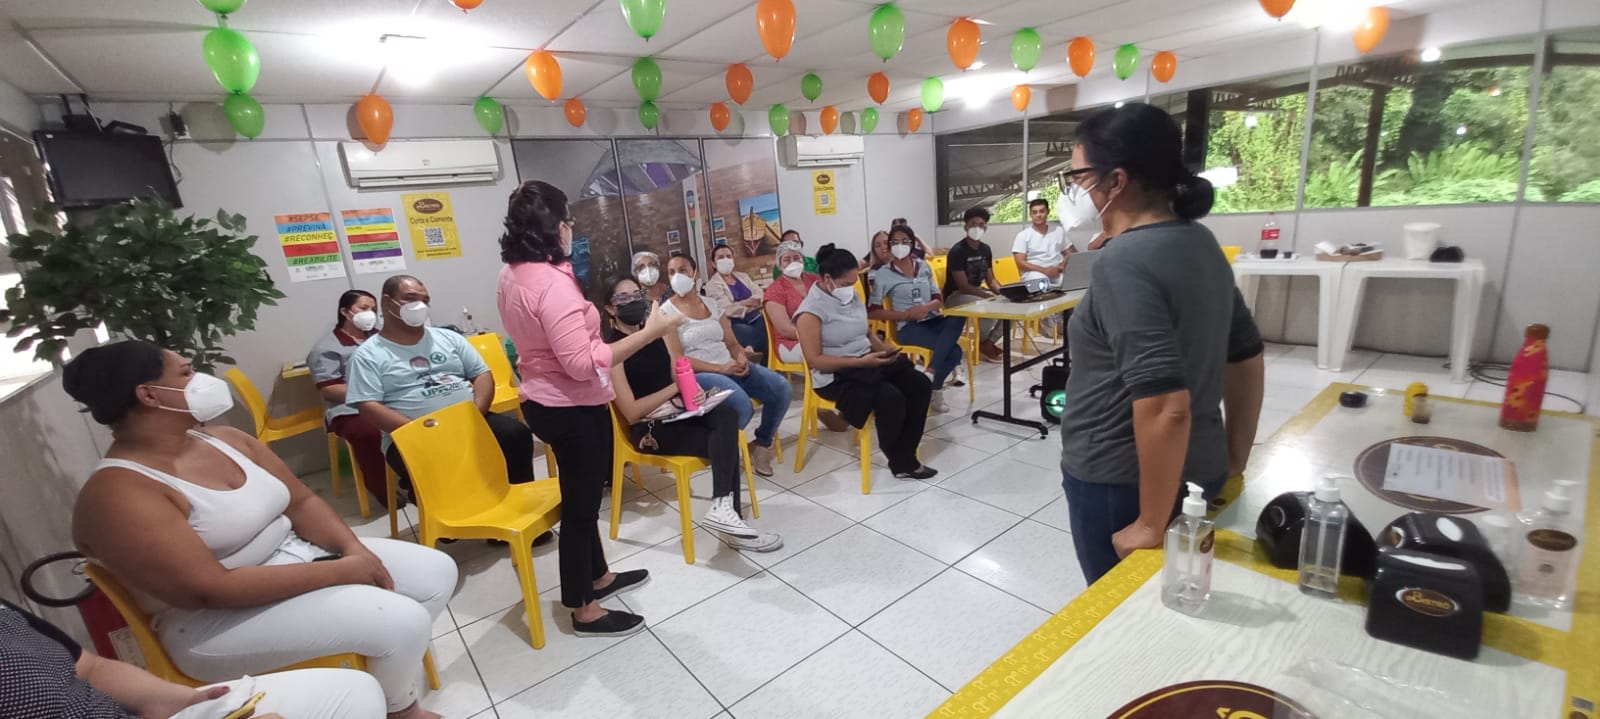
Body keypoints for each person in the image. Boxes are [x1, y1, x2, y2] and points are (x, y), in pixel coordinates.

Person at [62, 341, 458, 719]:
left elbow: (301, 501)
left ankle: (379, 675)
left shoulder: (224, 439)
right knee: (400, 621)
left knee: (435, 572)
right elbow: (211, 589)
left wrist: (353, 549)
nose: (201, 380)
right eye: (185, 373)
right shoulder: (120, 494)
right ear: (150, 395)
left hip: (295, 557)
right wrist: (341, 571)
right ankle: (398, 706)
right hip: (215, 623)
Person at [1056, 103, 1265, 585]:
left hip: (1123, 481)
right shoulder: (1199, 241)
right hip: (1199, 466)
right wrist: (1235, 457)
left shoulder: (1123, 261)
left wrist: (1150, 523)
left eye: (1079, 177)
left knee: (1118, 611)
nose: (1075, 191)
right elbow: (1246, 356)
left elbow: (1166, 404)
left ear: (1116, 180)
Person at [497, 180, 684, 637]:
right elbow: (582, 363)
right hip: (571, 407)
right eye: (567, 221)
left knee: (583, 497)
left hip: (547, 399)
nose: (570, 228)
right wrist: (651, 331)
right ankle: (584, 609)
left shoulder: (513, 273)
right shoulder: (550, 284)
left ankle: (598, 577)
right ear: (555, 227)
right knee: (581, 509)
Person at [600, 277, 781, 551]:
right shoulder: (613, 352)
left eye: (637, 295)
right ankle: (731, 519)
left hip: (677, 413)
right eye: (624, 298)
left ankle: (723, 508)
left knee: (727, 415)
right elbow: (632, 413)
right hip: (650, 429)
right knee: (725, 440)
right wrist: (675, 389)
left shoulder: (655, 333)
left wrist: (692, 392)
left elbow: (678, 371)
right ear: (611, 309)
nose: (634, 302)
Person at [0, 596, 386, 719]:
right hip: (201, 623)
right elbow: (210, 586)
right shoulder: (120, 491)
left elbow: (90, 667)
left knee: (352, 690)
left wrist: (182, 700)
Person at [345, 275, 540, 494]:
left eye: (425, 300)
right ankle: (454, 509)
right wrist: (420, 429)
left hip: (468, 421)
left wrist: (476, 413)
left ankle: (516, 499)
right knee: (438, 465)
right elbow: (368, 405)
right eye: (411, 298)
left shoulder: (448, 338)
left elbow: (481, 374)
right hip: (412, 433)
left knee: (515, 434)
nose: (420, 306)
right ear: (388, 302)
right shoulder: (368, 354)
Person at [796, 244, 938, 479]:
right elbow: (815, 360)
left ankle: (905, 452)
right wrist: (860, 363)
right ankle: (902, 461)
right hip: (836, 374)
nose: (851, 289)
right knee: (890, 398)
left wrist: (885, 351)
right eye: (846, 284)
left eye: (853, 283)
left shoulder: (850, 296)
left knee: (920, 384)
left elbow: (866, 332)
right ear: (828, 279)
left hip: (867, 361)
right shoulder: (810, 312)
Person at [662, 254, 790, 477]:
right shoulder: (666, 312)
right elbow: (679, 359)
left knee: (781, 388)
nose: (677, 277)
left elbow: (731, 342)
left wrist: (741, 358)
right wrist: (721, 369)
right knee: (741, 405)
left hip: (729, 365)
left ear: (695, 273)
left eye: (682, 270)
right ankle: (717, 447)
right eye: (672, 272)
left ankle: (761, 443)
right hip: (699, 374)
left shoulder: (711, 305)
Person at [305, 289, 390, 507]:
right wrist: (372, 393)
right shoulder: (326, 348)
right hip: (350, 407)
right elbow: (330, 388)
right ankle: (382, 490)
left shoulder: (383, 338)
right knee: (369, 432)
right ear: (345, 312)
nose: (370, 314)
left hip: (390, 399)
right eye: (363, 308)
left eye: (374, 309)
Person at [869, 225, 966, 412]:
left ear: (912, 244)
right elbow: (873, 311)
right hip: (908, 327)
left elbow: (937, 299)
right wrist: (905, 315)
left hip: (932, 319)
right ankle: (934, 389)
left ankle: (930, 373)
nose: (900, 246)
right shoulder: (884, 273)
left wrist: (925, 308)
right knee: (954, 352)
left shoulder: (923, 266)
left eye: (905, 241)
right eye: (895, 242)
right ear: (890, 246)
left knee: (959, 315)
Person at [764, 241, 849, 433]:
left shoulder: (814, 280)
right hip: (790, 343)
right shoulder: (775, 291)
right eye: (787, 259)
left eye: (796, 257)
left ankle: (850, 405)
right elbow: (785, 329)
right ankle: (823, 402)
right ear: (779, 265)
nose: (793, 262)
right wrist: (817, 334)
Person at [943, 207, 1007, 363]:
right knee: (989, 308)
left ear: (986, 227)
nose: (977, 227)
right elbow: (963, 286)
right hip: (956, 296)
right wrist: (988, 297)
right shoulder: (958, 251)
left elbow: (991, 280)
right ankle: (981, 344)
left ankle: (987, 343)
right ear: (965, 227)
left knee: (1010, 307)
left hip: (977, 293)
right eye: (973, 224)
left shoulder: (986, 249)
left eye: (981, 224)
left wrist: (1003, 292)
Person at [702, 243, 768, 359]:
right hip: (734, 324)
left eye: (728, 256)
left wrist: (740, 304)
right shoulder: (711, 285)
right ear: (713, 263)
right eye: (721, 257)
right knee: (758, 336)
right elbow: (727, 309)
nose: (725, 259)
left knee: (770, 328)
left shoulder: (743, 276)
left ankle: (753, 352)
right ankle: (755, 357)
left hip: (757, 317)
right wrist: (750, 303)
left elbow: (760, 294)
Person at [1012, 199, 1070, 287]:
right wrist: (1044, 270)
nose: (1038, 215)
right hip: (1034, 273)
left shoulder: (1058, 231)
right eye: (1034, 212)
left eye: (1042, 211)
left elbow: (1070, 253)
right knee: (1043, 284)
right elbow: (1020, 263)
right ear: (1030, 215)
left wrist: (1062, 266)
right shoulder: (1023, 236)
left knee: (1070, 282)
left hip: (1057, 272)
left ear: (1048, 212)